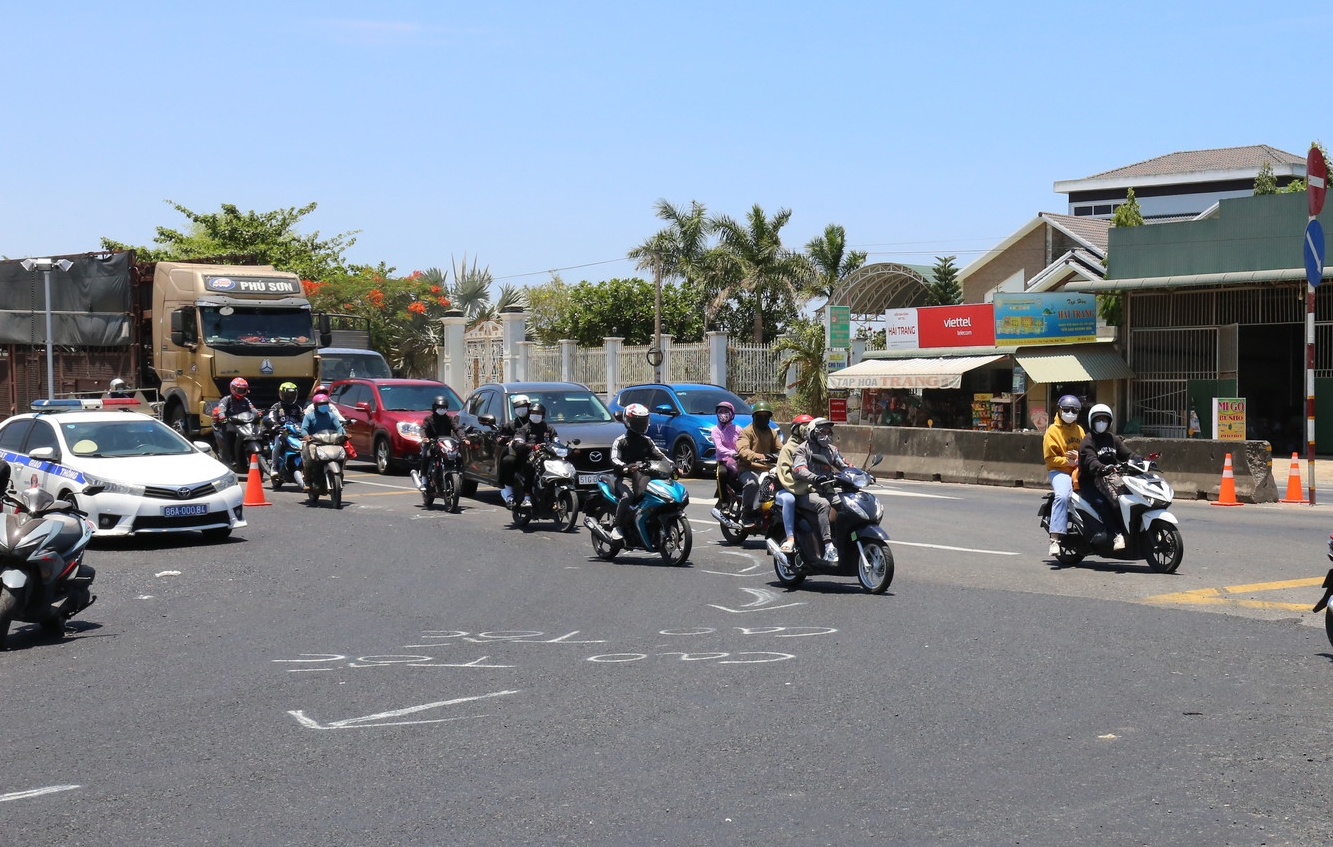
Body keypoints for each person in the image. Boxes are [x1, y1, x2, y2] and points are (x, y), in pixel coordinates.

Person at [1078, 403, 1141, 551]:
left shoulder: (1113, 439)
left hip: (1111, 478)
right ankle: (1115, 534)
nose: (1101, 423)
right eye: (1098, 419)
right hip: (1091, 482)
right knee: (1103, 502)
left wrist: (1141, 461)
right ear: (1091, 421)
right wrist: (1102, 467)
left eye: (1104, 420)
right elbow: (1090, 460)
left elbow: (1127, 454)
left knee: (1129, 498)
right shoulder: (1088, 440)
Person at [791, 417, 849, 564]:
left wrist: (862, 474)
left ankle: (845, 541)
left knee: (846, 505)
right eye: (822, 431)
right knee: (823, 505)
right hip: (807, 491)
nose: (825, 435)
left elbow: (844, 465)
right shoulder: (802, 449)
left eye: (828, 432)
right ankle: (828, 546)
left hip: (827, 489)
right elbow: (798, 469)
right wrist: (814, 477)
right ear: (812, 432)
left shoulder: (831, 450)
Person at [608, 403, 667, 542]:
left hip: (645, 476)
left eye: (643, 421)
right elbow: (614, 459)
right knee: (628, 496)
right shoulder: (620, 441)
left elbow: (660, 456)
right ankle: (617, 526)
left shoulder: (647, 441)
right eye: (637, 422)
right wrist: (627, 467)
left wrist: (673, 465)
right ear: (628, 421)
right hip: (625, 478)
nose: (641, 425)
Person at [1044, 394, 1085, 556]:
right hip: (1060, 471)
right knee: (1062, 496)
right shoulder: (1052, 432)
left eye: (1074, 410)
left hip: (1078, 470)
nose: (1070, 413)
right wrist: (1067, 462)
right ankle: (1055, 538)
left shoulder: (1079, 430)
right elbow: (1050, 458)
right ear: (1059, 410)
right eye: (1066, 410)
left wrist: (1079, 458)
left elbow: (1086, 451)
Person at [774, 413, 815, 554]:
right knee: (789, 500)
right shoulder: (788, 449)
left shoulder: (814, 447)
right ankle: (790, 538)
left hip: (808, 487)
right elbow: (786, 477)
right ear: (796, 429)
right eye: (804, 427)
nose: (807, 430)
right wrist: (807, 486)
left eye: (810, 427)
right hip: (789, 489)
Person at [736, 399, 782, 518]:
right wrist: (756, 456)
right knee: (752, 484)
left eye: (766, 416)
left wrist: (784, 455)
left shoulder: (772, 432)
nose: (763, 418)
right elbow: (742, 450)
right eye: (760, 416)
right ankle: (746, 513)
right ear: (754, 416)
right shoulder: (746, 432)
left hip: (768, 469)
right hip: (749, 468)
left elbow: (780, 449)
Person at [509, 401, 558, 507]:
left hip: (546, 457)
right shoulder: (525, 428)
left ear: (543, 415)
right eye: (533, 412)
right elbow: (518, 443)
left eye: (538, 413)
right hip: (529, 457)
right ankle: (527, 497)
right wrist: (528, 445)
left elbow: (556, 442)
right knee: (529, 467)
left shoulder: (549, 428)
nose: (535, 415)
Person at [299, 392, 347, 490]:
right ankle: (308, 480)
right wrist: (306, 436)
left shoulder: (331, 416)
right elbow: (304, 428)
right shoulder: (309, 416)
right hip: (315, 443)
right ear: (315, 405)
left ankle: (340, 474)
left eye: (325, 404)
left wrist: (343, 435)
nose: (323, 406)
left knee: (341, 456)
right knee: (310, 459)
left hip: (331, 442)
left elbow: (338, 427)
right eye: (320, 404)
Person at [412, 395, 459, 491]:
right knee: (427, 455)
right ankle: (424, 479)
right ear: (434, 408)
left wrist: (463, 438)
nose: (442, 410)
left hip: (446, 444)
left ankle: (458, 476)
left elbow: (457, 428)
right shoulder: (429, 419)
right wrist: (424, 438)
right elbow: (423, 429)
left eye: (444, 408)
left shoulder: (449, 419)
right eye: (440, 408)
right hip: (431, 444)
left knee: (458, 456)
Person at [212, 377, 260, 468]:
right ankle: (230, 459)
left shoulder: (246, 400)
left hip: (242, 424)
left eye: (243, 390)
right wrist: (222, 417)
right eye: (239, 390)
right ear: (233, 389)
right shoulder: (226, 399)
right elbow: (221, 409)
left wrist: (258, 413)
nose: (241, 392)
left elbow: (252, 409)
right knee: (230, 439)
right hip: (228, 424)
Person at [497, 394, 532, 506]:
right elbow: (500, 437)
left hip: (535, 453)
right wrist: (509, 441)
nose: (521, 409)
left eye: (523, 406)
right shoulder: (511, 424)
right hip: (517, 454)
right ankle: (509, 493)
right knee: (508, 461)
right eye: (517, 407)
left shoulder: (536, 423)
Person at [267, 382, 305, 481]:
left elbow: (304, 419)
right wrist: (276, 426)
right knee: (278, 444)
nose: (290, 397)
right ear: (281, 394)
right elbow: (271, 417)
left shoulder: (297, 408)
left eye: (292, 394)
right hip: (281, 432)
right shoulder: (277, 407)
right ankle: (274, 467)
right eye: (288, 394)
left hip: (296, 433)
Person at [710, 401, 743, 511]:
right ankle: (723, 500)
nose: (723, 414)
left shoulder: (737, 429)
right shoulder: (715, 430)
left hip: (738, 460)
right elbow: (719, 447)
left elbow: (743, 442)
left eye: (726, 412)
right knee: (721, 473)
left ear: (732, 414)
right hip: (723, 461)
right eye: (720, 412)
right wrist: (731, 453)